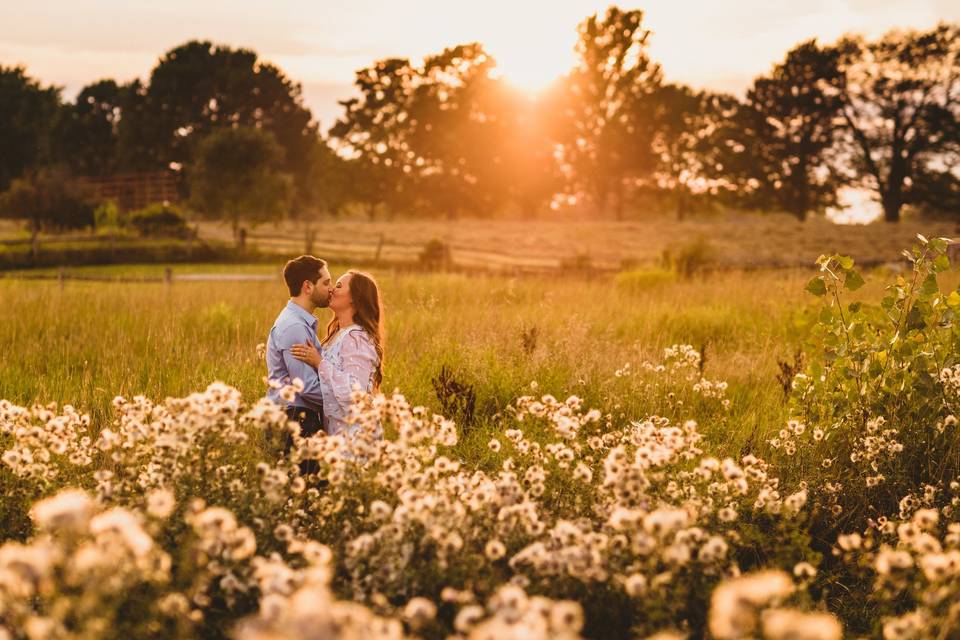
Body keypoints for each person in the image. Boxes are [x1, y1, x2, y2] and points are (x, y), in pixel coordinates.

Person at [290, 270, 384, 439]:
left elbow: (356, 392)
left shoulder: (357, 337)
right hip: (338, 433)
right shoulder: (338, 334)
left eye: (339, 286)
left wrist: (319, 363)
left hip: (356, 436)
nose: (332, 289)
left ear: (355, 297)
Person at [265, 256, 333, 471]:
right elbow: (306, 386)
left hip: (296, 416)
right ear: (307, 287)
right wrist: (346, 400)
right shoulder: (294, 326)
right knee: (304, 493)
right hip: (296, 419)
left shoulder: (299, 322)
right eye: (326, 282)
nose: (331, 289)